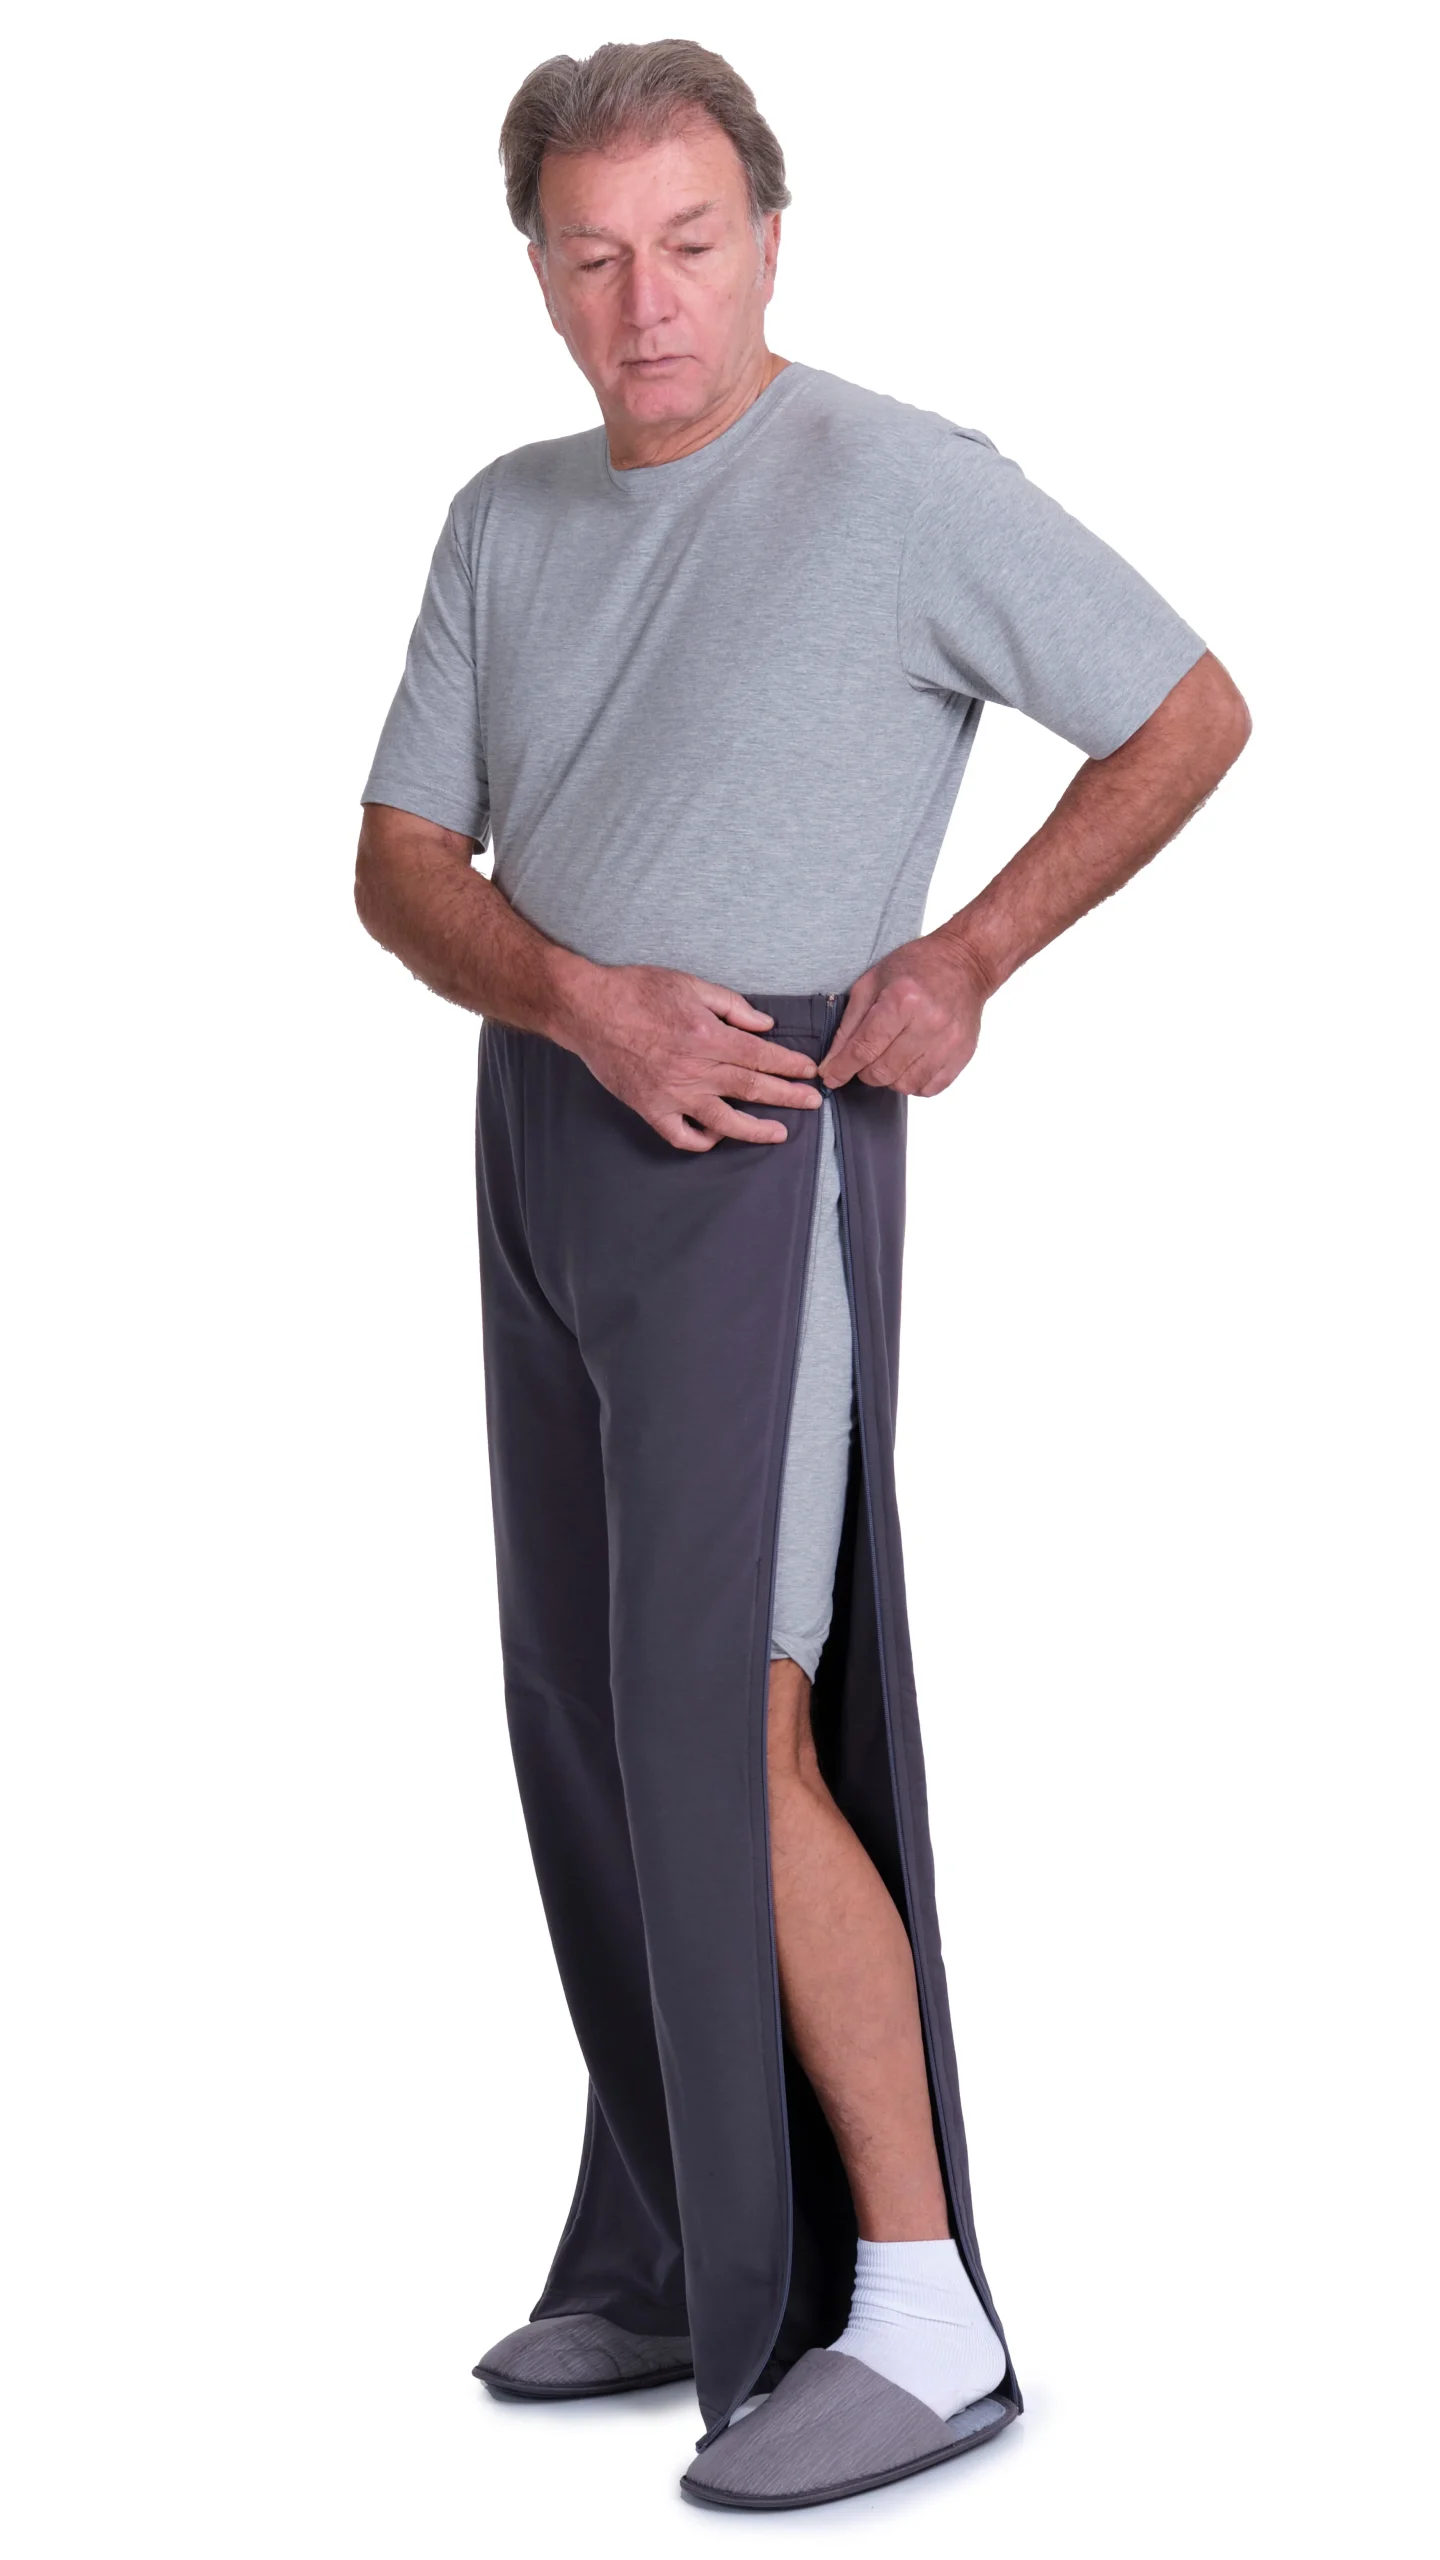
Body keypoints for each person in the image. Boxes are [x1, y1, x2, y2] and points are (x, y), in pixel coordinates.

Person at [354, 37, 1250, 2514]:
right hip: (548, 1120)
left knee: (733, 1734)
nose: (645, 302)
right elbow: (400, 858)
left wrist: (966, 957)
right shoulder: (507, 516)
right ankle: (676, 2231)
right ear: (539, 271)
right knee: (582, 1718)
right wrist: (574, 999)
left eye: (689, 242)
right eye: (591, 255)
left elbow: (1189, 711)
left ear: (768, 232)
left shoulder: (899, 484)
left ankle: (923, 2305)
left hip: (760, 1144)